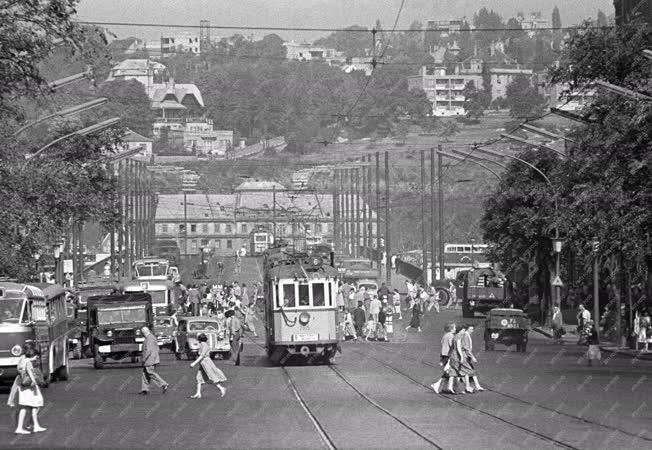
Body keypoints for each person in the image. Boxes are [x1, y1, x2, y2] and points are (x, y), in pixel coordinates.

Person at [7, 342, 46, 434]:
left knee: (31, 405)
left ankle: (32, 424)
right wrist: (34, 381)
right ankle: (25, 426)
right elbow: (28, 371)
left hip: (22, 384)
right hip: (28, 386)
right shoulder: (27, 361)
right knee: (30, 405)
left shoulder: (22, 359)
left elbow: (20, 370)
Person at [189, 333, 227, 399]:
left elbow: (202, 356)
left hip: (206, 362)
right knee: (199, 377)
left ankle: (221, 388)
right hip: (203, 363)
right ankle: (198, 393)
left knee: (211, 376)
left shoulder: (204, 345)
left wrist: (194, 363)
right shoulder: (202, 344)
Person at [140, 326, 169, 395]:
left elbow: (148, 350)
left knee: (150, 373)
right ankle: (144, 389)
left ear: (143, 333)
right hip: (151, 359)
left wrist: (144, 358)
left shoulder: (149, 338)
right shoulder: (150, 337)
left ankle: (163, 384)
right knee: (145, 374)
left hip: (150, 359)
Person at [458, 324, 484, 393]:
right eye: (470, 329)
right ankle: (471, 386)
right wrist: (472, 357)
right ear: (467, 329)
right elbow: (466, 348)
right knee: (469, 371)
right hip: (465, 356)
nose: (472, 331)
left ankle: (472, 386)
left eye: (472, 329)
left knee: (469, 371)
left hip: (465, 356)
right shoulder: (466, 335)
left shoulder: (466, 335)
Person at [431, 323, 456, 394]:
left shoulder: (445, 335)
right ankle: (437, 385)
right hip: (448, 355)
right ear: (451, 329)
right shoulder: (451, 335)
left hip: (443, 354)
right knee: (449, 371)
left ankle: (443, 387)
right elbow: (452, 345)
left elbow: (442, 342)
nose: (455, 329)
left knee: (448, 371)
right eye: (454, 328)